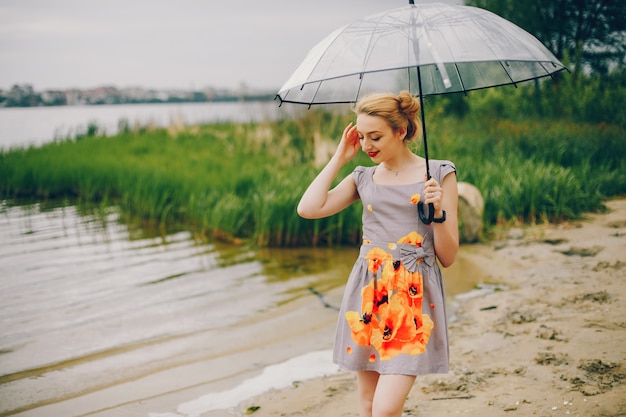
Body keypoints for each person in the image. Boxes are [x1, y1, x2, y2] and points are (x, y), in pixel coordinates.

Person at [297, 91, 459, 417]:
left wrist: (437, 210)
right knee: (368, 406)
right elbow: (308, 208)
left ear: (402, 131)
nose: (368, 145)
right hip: (368, 295)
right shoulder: (363, 177)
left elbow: (448, 255)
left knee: (385, 409)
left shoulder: (439, 174)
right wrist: (340, 157)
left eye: (376, 136)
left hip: (412, 300)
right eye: (361, 136)